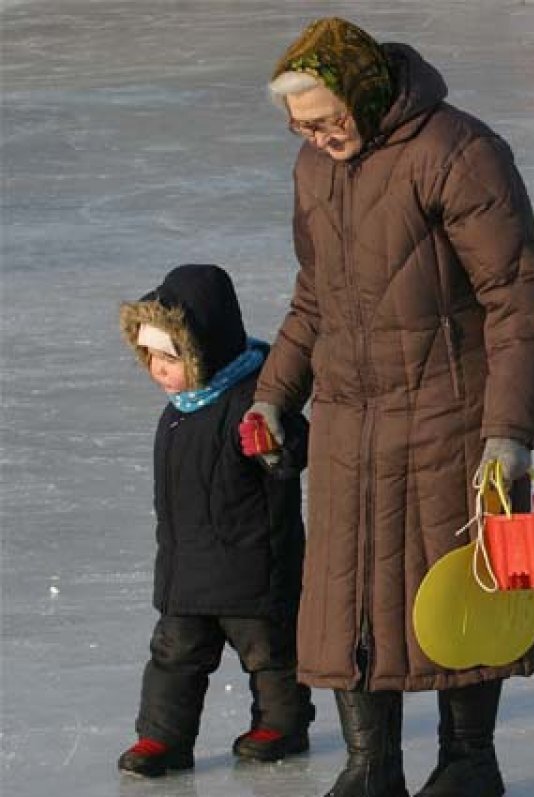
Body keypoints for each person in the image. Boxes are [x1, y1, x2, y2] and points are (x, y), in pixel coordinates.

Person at [252, 17, 534, 797]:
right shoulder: (314, 172)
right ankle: (370, 764)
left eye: (324, 119)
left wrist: (509, 432)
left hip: (450, 419)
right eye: (299, 126)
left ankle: (468, 761)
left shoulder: (458, 152)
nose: (314, 136)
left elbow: (518, 297)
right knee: (346, 601)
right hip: (352, 422)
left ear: (360, 90)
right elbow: (312, 297)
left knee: (458, 591)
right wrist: (273, 395)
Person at [116, 264, 313, 777]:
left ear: (206, 348)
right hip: (187, 573)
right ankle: (163, 739)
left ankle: (281, 724)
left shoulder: (255, 398)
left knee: (270, 654)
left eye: (169, 356)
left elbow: (294, 450)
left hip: (253, 566)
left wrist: (273, 447)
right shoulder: (179, 409)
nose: (159, 370)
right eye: (150, 357)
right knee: (172, 659)